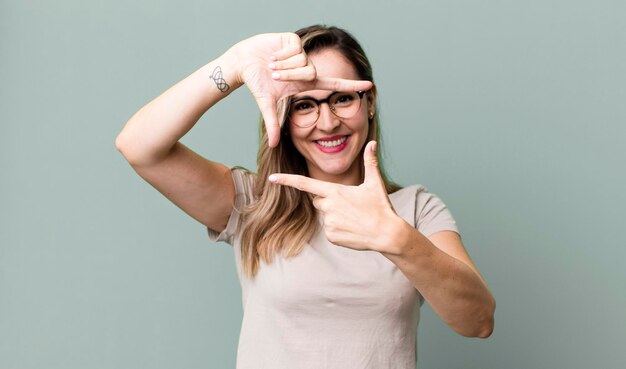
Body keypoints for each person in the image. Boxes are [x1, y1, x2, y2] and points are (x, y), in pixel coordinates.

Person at [115, 25, 495, 369]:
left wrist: (394, 237)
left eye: (342, 98)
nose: (327, 122)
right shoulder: (253, 203)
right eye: (304, 105)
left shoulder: (415, 210)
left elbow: (478, 321)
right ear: (282, 115)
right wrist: (232, 66)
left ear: (369, 101)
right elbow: (138, 146)